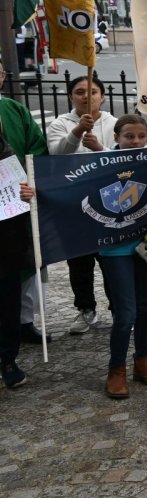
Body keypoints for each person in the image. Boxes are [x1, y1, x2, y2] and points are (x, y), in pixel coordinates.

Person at [100, 115, 147, 399]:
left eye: (141, 136)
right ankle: (116, 369)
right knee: (125, 311)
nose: (136, 141)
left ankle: (143, 360)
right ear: (116, 138)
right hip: (115, 248)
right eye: (129, 136)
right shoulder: (100, 166)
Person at [46, 74, 117, 336]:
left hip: (108, 202)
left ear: (102, 96)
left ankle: (117, 308)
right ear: (70, 96)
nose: (87, 96)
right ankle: (85, 308)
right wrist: (76, 132)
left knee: (110, 259)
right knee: (79, 260)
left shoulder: (114, 123)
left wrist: (99, 148)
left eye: (93, 91)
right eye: (79, 92)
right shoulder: (60, 124)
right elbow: (56, 154)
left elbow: (124, 157)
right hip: (73, 203)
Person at [0, 61, 50, 346]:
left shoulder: (15, 110)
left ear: (3, 76)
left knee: (26, 261)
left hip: (16, 198)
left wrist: (29, 181)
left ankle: (24, 321)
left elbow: (36, 147)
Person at [0, 126, 35, 388]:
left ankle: (8, 359)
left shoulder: (4, 153)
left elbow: (18, 191)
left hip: (5, 242)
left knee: (7, 303)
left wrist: (26, 195)